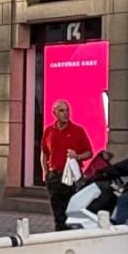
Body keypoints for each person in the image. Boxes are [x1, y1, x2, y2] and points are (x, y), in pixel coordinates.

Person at [41, 99, 93, 231]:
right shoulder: (49, 131)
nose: (65, 113)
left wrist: (77, 156)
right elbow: (44, 153)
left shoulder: (78, 130)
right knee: (57, 212)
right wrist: (45, 172)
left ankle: (71, 234)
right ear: (55, 113)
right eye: (61, 111)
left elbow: (89, 153)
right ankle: (60, 234)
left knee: (71, 211)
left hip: (72, 178)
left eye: (67, 110)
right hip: (55, 176)